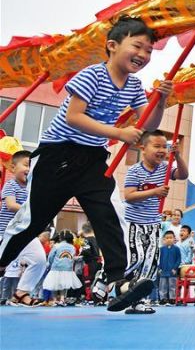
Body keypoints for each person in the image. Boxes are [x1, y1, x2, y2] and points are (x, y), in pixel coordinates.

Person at [0, 16, 174, 313]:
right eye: (138, 46)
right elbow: (74, 117)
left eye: (149, 51)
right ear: (112, 45)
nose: (143, 55)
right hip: (58, 155)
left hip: (93, 159)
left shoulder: (133, 85)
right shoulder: (91, 75)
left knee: (108, 215)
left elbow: (149, 127)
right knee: (33, 221)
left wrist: (159, 101)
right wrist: (118, 133)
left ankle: (119, 281)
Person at [123, 129, 188, 314]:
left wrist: (178, 156)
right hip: (134, 222)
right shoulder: (135, 171)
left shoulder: (165, 168)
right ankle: (114, 284)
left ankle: (139, 300)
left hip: (153, 222)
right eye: (157, 146)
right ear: (142, 148)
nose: (162, 150)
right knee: (137, 259)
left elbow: (183, 175)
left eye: (164, 147)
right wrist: (154, 192)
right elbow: (128, 196)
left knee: (151, 262)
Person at [0, 150, 47, 307]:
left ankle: (21, 292)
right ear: (13, 168)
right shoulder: (11, 185)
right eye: (26, 165)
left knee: (40, 260)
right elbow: (11, 205)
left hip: (25, 233)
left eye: (32, 166)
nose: (29, 169)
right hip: (5, 233)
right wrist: (33, 211)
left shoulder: (33, 188)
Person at [43, 230, 83, 307]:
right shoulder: (72, 247)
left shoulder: (56, 246)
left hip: (56, 267)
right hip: (67, 269)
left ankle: (54, 300)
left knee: (54, 284)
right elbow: (72, 257)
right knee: (65, 284)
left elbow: (51, 257)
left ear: (60, 237)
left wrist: (51, 264)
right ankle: (62, 299)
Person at [158, 231, 181, 305]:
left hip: (172, 271)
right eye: (167, 238)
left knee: (172, 285)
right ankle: (163, 298)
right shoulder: (161, 249)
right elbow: (159, 259)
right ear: (164, 239)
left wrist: (175, 268)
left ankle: (172, 298)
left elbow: (178, 259)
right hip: (163, 271)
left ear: (174, 239)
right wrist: (159, 268)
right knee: (162, 286)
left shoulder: (177, 249)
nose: (169, 239)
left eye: (171, 238)